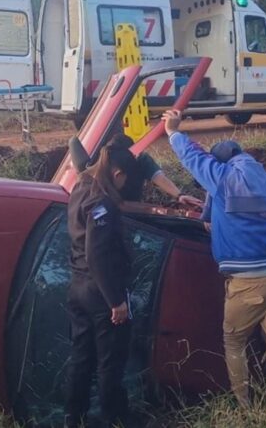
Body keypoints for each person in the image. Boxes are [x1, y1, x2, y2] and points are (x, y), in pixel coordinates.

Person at [162, 110, 266, 408]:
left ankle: (244, 407)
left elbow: (194, 159)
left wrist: (172, 132)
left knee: (234, 342)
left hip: (247, 283)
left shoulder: (225, 178)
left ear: (223, 163)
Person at [64, 144, 138, 428]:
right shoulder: (102, 202)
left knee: (81, 357)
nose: (124, 186)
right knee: (111, 361)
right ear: (117, 174)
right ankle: (115, 419)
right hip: (101, 292)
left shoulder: (80, 186)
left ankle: (74, 417)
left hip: (78, 286)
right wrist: (116, 302)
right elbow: (97, 255)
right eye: (124, 180)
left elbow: (75, 148)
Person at [107, 134, 203, 207]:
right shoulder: (103, 164)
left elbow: (159, 177)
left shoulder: (140, 159)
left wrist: (179, 195)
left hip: (133, 209)